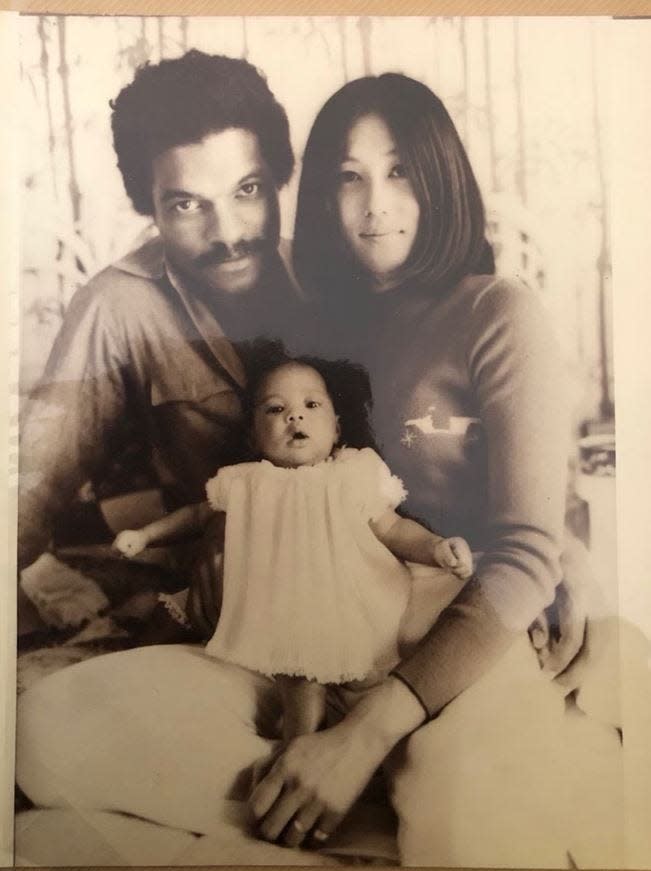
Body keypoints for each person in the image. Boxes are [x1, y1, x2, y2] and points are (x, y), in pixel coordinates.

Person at [17, 72, 592, 867]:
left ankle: (376, 776)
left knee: (467, 820)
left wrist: (563, 557)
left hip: (438, 627)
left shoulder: (490, 310)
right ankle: (341, 800)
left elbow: (525, 527)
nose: (375, 205)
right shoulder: (330, 311)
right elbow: (42, 483)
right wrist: (222, 534)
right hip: (297, 626)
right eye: (347, 178)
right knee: (45, 734)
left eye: (399, 171)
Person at [17, 50, 306, 632]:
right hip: (206, 593)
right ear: (147, 205)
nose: (226, 234)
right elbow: (30, 488)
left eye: (246, 191)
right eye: (186, 204)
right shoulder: (117, 306)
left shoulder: (337, 275)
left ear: (278, 178)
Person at [113, 346, 473, 740]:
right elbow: (196, 516)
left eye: (311, 404)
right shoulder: (247, 481)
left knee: (302, 659)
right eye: (274, 409)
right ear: (253, 435)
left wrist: (436, 547)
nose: (294, 415)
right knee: (175, 609)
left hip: (327, 596)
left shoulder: (351, 474)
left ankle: (299, 736)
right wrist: (144, 535)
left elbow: (393, 529)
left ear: (336, 428)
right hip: (254, 590)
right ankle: (122, 668)